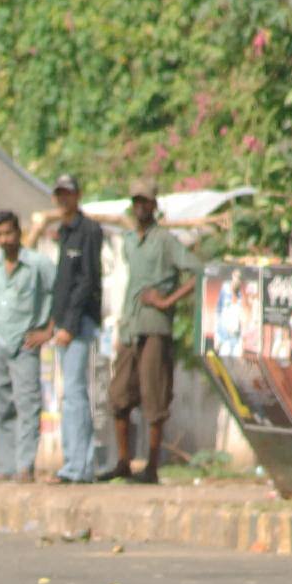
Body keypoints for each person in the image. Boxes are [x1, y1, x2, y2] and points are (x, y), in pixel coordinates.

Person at [106, 181, 197, 484]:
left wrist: (167, 300)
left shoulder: (166, 241)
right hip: (130, 326)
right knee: (119, 395)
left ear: (154, 205)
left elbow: (199, 270)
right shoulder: (130, 241)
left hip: (156, 328)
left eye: (145, 201)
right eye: (136, 202)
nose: (141, 207)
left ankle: (152, 467)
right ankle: (123, 461)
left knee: (154, 397)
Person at [0, 211, 55, 483]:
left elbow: (58, 295)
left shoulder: (38, 264)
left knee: (27, 404)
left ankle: (24, 466)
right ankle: (3, 466)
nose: (4, 239)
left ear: (19, 233)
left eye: (9, 233)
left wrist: (48, 331)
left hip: (25, 343)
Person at [42, 173, 105, 483]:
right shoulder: (64, 231)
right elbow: (62, 284)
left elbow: (87, 281)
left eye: (68, 193)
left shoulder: (89, 230)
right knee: (71, 393)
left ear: (78, 195)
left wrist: (69, 324)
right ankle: (79, 464)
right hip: (65, 323)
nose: (63, 198)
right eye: (59, 194)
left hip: (79, 323)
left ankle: (76, 467)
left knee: (75, 394)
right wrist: (55, 321)